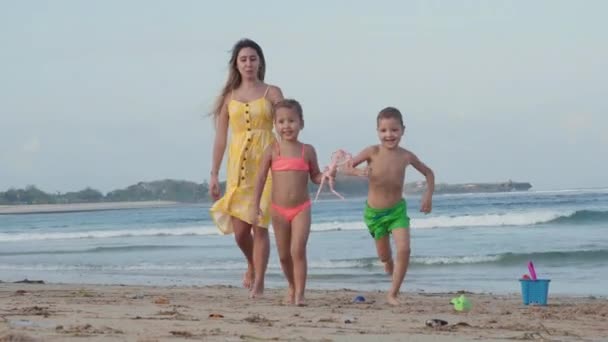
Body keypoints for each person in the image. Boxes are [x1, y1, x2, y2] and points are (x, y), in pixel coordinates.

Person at [208, 38, 284, 298]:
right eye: (244, 59)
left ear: (260, 61)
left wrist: (290, 162)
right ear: (236, 64)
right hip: (238, 169)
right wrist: (213, 173)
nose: (249, 63)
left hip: (268, 165)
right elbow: (220, 139)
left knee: (260, 224)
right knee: (241, 232)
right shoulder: (229, 98)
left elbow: (286, 126)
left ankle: (260, 282)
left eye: (253, 58)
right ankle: (251, 263)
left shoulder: (272, 93)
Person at [342, 106, 435, 306]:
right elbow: (346, 167)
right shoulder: (371, 152)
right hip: (374, 214)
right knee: (384, 255)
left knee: (405, 249)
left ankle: (393, 293)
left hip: (397, 211)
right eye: (383, 130)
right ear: (378, 132)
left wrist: (428, 195)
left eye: (394, 130)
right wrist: (359, 173)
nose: (389, 135)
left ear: (403, 130)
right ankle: (387, 263)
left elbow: (429, 173)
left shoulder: (406, 156)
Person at [252, 99, 332, 306]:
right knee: (284, 256)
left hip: (301, 209)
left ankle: (300, 294)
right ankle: (291, 285)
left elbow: (314, 176)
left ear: (301, 123)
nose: (286, 126)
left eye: (291, 121)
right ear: (275, 125)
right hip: (278, 210)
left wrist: (325, 175)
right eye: (281, 122)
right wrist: (255, 205)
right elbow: (260, 178)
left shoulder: (308, 150)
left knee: (298, 250)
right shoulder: (272, 150)